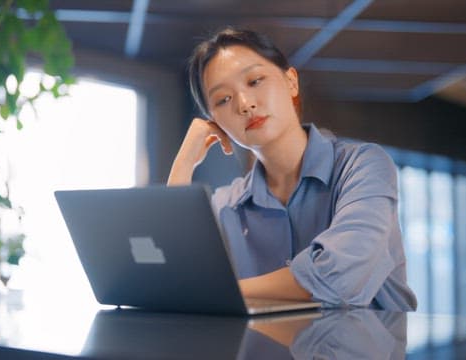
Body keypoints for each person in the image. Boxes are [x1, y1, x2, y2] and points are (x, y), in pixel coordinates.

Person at [167, 27, 417, 311]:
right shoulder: (227, 205)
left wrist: (224, 291)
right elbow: (174, 281)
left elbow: (337, 277)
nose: (245, 104)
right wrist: (183, 165)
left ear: (291, 82)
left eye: (255, 80)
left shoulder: (363, 166)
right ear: (215, 122)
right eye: (223, 100)